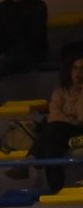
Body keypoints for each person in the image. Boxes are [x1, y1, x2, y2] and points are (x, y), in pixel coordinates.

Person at [30, 52, 83, 194]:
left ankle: (32, 159)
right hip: (61, 133)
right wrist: (71, 120)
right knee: (51, 141)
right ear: (69, 71)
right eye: (75, 68)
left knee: (51, 132)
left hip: (79, 132)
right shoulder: (60, 92)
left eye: (82, 68)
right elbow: (54, 115)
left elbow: (81, 118)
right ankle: (56, 188)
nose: (78, 72)